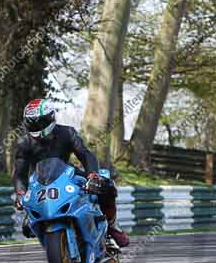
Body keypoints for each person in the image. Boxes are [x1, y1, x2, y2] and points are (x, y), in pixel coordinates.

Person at [12, 98, 130, 247]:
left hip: (67, 174)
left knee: (106, 185)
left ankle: (112, 226)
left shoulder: (66, 132)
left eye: (40, 122)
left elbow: (85, 154)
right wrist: (20, 193)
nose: (37, 126)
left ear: (50, 118)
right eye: (32, 123)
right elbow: (19, 173)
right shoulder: (24, 143)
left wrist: (93, 175)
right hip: (40, 183)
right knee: (27, 227)